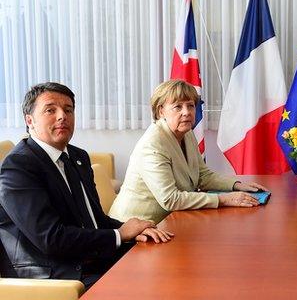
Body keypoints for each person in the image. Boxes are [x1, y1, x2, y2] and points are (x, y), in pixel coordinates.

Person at [0, 82, 173, 288]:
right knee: (147, 286)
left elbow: (94, 219)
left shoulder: (77, 156)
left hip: (88, 257)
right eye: (50, 110)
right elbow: (50, 239)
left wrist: (133, 230)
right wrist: (120, 234)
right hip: (53, 275)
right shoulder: (18, 166)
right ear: (30, 121)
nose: (62, 116)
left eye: (68, 109)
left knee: (165, 262)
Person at [108, 80, 267, 224]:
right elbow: (170, 199)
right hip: (135, 229)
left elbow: (202, 176)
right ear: (161, 111)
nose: (187, 112)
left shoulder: (186, 133)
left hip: (170, 222)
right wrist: (224, 199)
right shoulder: (152, 145)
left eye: (190, 105)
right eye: (178, 106)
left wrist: (236, 185)